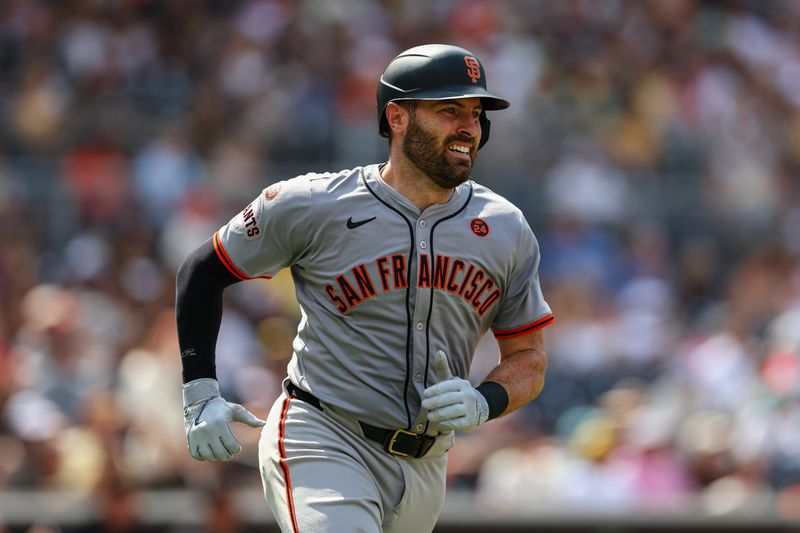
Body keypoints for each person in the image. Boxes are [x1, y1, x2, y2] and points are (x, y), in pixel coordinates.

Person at [176, 43, 553, 533]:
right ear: (397, 117)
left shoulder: (505, 227)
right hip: (324, 434)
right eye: (449, 110)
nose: (469, 126)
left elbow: (530, 358)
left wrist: (487, 400)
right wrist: (200, 391)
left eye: (477, 113)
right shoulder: (314, 203)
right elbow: (204, 270)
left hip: (426, 463)